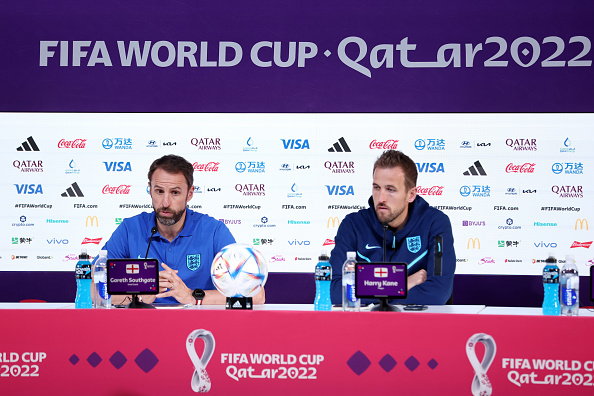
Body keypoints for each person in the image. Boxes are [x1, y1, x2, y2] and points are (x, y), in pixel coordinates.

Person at [100, 154, 265, 305]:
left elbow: (257, 296)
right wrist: (141, 296)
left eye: (175, 193)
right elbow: (94, 291)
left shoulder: (214, 231)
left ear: (190, 193)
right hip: (143, 326)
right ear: (149, 189)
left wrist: (192, 296)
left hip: (199, 327)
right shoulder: (130, 229)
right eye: (159, 191)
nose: (165, 202)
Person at [330, 150, 455, 305]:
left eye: (390, 189)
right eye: (377, 187)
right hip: (365, 326)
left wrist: (370, 290)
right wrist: (404, 283)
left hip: (415, 325)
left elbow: (437, 294)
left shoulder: (435, 223)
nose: (381, 198)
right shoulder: (353, 225)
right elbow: (334, 292)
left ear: (411, 195)